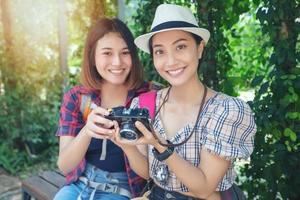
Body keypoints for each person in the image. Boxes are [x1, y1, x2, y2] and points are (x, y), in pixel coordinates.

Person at [114, 4, 257, 200]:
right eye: (160, 51)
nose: (171, 61)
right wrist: (126, 145)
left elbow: (204, 187)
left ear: (199, 49)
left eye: (180, 47)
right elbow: (149, 172)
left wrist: (159, 145)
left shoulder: (227, 110)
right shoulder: (145, 104)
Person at [54, 18, 160, 200]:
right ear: (93, 57)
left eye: (125, 53)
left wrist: (127, 146)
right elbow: (64, 166)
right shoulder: (78, 98)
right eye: (107, 53)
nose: (117, 62)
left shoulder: (146, 96)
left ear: (133, 56)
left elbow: (146, 173)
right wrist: (87, 130)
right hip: (79, 183)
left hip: (124, 189)